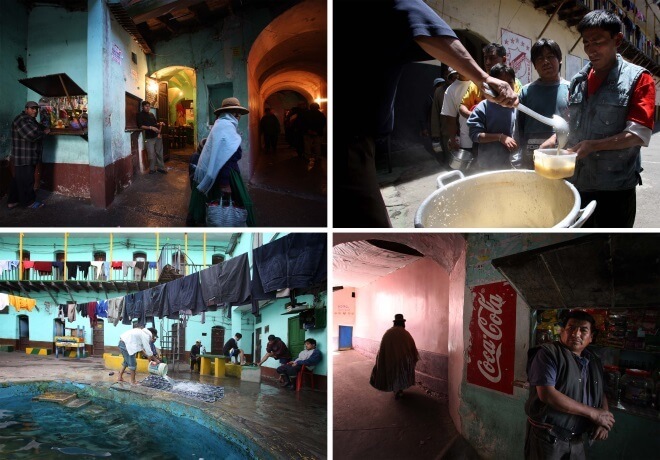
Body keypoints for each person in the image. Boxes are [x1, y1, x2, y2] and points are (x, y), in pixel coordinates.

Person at [334, 0, 518, 227]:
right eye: (487, 59)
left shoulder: (513, 91)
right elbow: (456, 113)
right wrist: (483, 81)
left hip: (354, 141)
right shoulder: (459, 89)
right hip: (349, 141)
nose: (489, 64)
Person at [540, 10, 655, 228]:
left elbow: (638, 134)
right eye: (586, 43)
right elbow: (570, 122)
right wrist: (555, 138)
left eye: (598, 42)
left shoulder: (640, 79)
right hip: (576, 184)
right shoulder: (578, 80)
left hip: (615, 190)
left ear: (617, 40)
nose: (591, 50)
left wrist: (593, 146)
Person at [525, 310, 614, 459]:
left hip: (577, 440)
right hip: (548, 438)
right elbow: (547, 394)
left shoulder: (593, 361)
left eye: (583, 330)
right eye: (571, 328)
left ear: (591, 337)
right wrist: (593, 413)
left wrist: (603, 420)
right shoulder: (548, 354)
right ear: (562, 331)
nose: (576, 334)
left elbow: (600, 392)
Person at [188, 97, 254, 226]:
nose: (239, 116)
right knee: (226, 205)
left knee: (214, 203)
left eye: (239, 113)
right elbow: (225, 159)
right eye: (237, 112)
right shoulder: (226, 127)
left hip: (219, 173)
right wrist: (225, 183)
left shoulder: (221, 124)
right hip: (226, 175)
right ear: (232, 113)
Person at [514, 38, 570, 169]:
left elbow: (576, 124)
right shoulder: (526, 92)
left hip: (561, 157)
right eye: (540, 59)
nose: (545, 62)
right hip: (532, 158)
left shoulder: (571, 89)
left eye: (550, 57)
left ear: (560, 59)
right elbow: (518, 128)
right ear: (534, 65)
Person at [467, 64, 518, 172]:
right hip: (489, 165)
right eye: (501, 83)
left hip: (513, 164)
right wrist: (501, 137)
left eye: (510, 82)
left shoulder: (518, 105)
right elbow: (475, 135)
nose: (505, 88)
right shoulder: (483, 107)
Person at [7, 101, 50, 210]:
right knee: (27, 180)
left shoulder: (30, 120)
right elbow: (32, 135)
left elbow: (38, 127)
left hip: (27, 155)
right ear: (26, 109)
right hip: (24, 156)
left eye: (36, 108)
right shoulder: (21, 119)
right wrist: (44, 133)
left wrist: (43, 128)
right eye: (32, 108)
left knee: (18, 179)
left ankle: (12, 201)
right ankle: (29, 202)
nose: (35, 111)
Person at [369, 313, 419, 400]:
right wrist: (411, 359)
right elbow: (412, 348)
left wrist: (381, 360)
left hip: (391, 360)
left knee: (393, 375)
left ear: (395, 323)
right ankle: (399, 390)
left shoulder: (388, 333)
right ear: (402, 323)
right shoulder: (406, 334)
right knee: (400, 375)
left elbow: (382, 349)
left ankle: (396, 390)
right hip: (402, 361)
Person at [440, 68, 472, 162]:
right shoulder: (450, 90)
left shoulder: (477, 82)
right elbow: (451, 119)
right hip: (467, 140)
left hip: (487, 136)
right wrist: (453, 140)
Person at [136, 101, 166, 174]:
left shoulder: (151, 114)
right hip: (148, 137)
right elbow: (140, 126)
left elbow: (155, 123)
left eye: (149, 106)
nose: (148, 107)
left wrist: (160, 123)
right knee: (151, 154)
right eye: (146, 106)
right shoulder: (140, 115)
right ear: (142, 107)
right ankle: (152, 169)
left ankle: (160, 168)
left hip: (157, 136)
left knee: (159, 152)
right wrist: (150, 127)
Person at [300, 102, 327, 171]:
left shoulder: (306, 114)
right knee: (317, 145)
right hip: (317, 133)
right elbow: (323, 123)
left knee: (307, 144)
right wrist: (316, 131)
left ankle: (307, 156)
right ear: (318, 107)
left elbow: (303, 123)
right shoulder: (321, 114)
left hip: (307, 132)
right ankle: (317, 156)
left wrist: (308, 130)